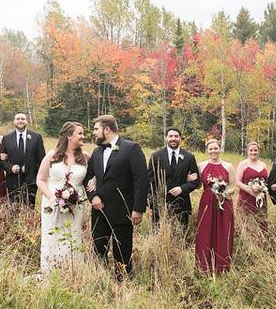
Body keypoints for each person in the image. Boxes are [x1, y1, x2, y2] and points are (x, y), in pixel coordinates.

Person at [84, 114, 149, 278]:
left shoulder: (131, 148)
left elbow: (141, 179)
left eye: (96, 129)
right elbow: (88, 177)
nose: (94, 133)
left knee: (122, 249)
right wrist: (93, 197)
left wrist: (138, 208)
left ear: (107, 129)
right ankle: (99, 279)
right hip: (99, 211)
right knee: (99, 248)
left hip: (123, 210)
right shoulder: (97, 152)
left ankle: (123, 280)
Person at [36, 122, 89, 275]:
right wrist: (53, 198)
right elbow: (40, 180)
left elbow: (96, 176)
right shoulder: (53, 155)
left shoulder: (84, 157)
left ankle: (73, 271)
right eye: (79, 133)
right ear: (69, 135)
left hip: (76, 206)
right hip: (52, 204)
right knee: (53, 234)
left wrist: (93, 182)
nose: (83, 136)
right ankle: (51, 272)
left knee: (73, 234)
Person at [194, 139, 236, 274]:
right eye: (211, 149)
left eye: (215, 148)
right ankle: (204, 265)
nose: (213, 151)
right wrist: (190, 179)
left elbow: (233, 188)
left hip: (224, 202)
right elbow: (199, 185)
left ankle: (222, 265)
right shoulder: (201, 166)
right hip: (207, 202)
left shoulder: (228, 166)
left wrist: (222, 193)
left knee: (224, 231)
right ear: (207, 150)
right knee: (205, 231)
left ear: (220, 149)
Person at [147, 127, 200, 231]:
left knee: (180, 234)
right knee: (158, 234)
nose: (173, 138)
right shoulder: (156, 156)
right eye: (170, 136)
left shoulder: (189, 157)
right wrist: (152, 202)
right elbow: (150, 181)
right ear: (166, 138)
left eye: (176, 136)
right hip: (160, 204)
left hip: (182, 203)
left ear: (180, 138)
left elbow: (196, 181)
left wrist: (182, 188)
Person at [0, 112, 46, 207]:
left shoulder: (36, 137)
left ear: (26, 121)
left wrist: (35, 174)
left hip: (31, 181)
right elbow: (2, 160)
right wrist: (10, 168)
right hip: (12, 180)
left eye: (23, 119)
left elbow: (42, 160)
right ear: (14, 121)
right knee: (13, 209)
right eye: (18, 119)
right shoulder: (6, 138)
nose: (20, 121)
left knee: (29, 208)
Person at [234, 141, 269, 232]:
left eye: (255, 150)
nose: (253, 152)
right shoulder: (243, 164)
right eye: (251, 150)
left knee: (261, 222)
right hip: (246, 198)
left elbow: (267, 182)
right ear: (247, 151)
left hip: (261, 198)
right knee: (246, 223)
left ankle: (261, 243)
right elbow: (237, 181)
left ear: (259, 151)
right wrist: (251, 190)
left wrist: (261, 187)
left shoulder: (263, 165)